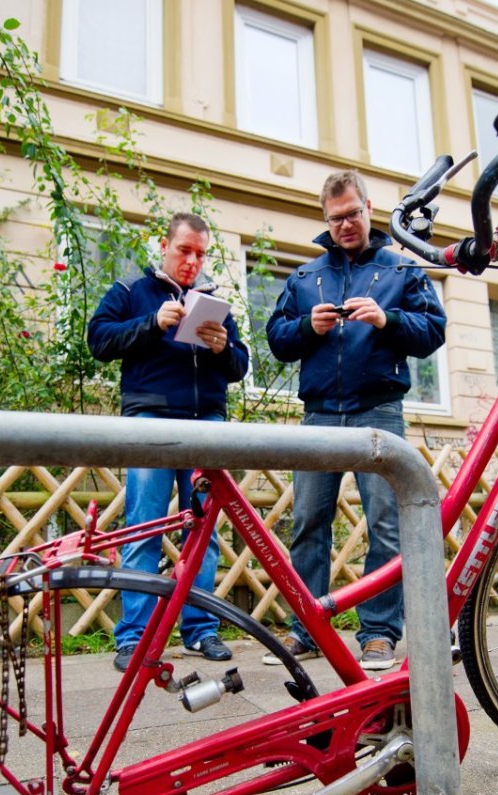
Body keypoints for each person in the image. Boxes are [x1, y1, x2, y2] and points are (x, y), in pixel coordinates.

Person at [264, 170, 446, 670]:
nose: (345, 224)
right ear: (325, 219)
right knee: (307, 523)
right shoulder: (304, 278)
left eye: (353, 214)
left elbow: (433, 333)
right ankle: (306, 628)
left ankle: (380, 634)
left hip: (378, 411)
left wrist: (387, 320)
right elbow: (277, 340)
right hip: (319, 414)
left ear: (369, 208)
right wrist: (307, 326)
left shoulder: (403, 272)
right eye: (335, 217)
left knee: (386, 525)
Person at [87, 212, 250, 672]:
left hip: (207, 425)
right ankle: (134, 639)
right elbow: (97, 340)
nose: (192, 262)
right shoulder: (130, 292)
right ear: (164, 245)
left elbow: (240, 367)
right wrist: (152, 322)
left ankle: (200, 631)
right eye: (185, 250)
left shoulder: (214, 300)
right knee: (145, 528)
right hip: (150, 422)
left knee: (203, 534)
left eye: (200, 253)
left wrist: (223, 348)